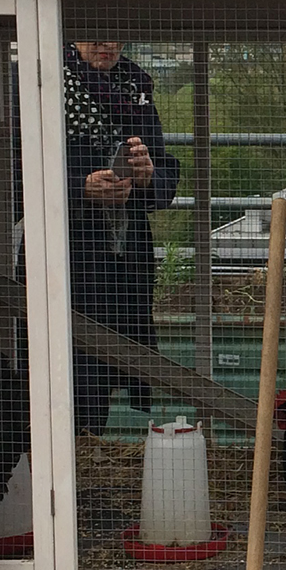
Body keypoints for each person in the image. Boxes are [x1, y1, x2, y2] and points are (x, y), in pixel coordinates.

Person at [65, 37, 180, 431]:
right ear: (72, 32)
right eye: (96, 32)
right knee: (67, 359)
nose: (109, 43)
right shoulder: (39, 80)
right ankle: (63, 450)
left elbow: (165, 175)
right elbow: (11, 173)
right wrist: (80, 188)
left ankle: (92, 444)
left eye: (116, 33)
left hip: (125, 256)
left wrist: (147, 177)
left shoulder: (136, 87)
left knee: (117, 354)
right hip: (66, 251)